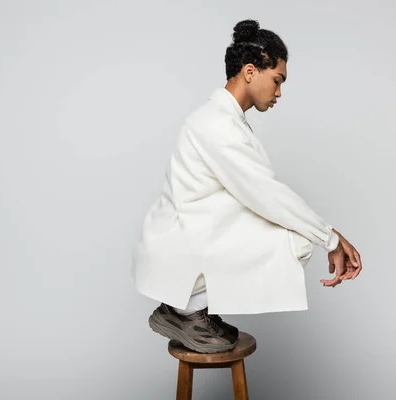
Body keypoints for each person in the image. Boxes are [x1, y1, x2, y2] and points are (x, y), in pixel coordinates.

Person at [131, 19, 362, 353]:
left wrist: (328, 234)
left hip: (188, 235)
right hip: (179, 245)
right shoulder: (217, 125)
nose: (279, 92)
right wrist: (329, 238)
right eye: (277, 80)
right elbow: (266, 194)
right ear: (250, 71)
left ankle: (189, 308)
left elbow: (260, 193)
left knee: (289, 227)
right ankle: (184, 310)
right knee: (297, 239)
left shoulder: (223, 120)